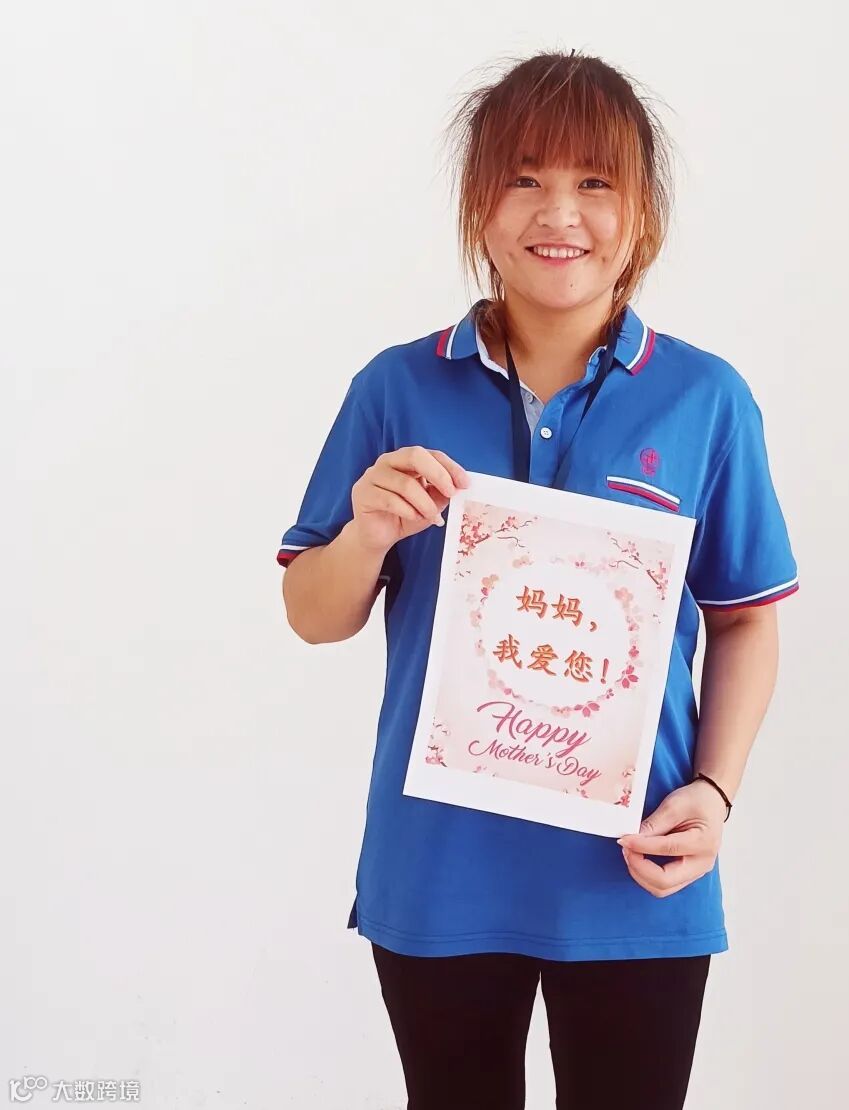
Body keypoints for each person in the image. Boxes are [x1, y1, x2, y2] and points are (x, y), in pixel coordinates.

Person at [277, 49, 799, 1110]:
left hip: (635, 869)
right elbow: (312, 615)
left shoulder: (706, 399)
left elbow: (745, 619)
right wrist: (366, 534)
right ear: (480, 204)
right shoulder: (396, 387)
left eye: (595, 182)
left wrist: (713, 793)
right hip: (440, 870)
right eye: (524, 178)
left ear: (641, 213)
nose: (559, 213)